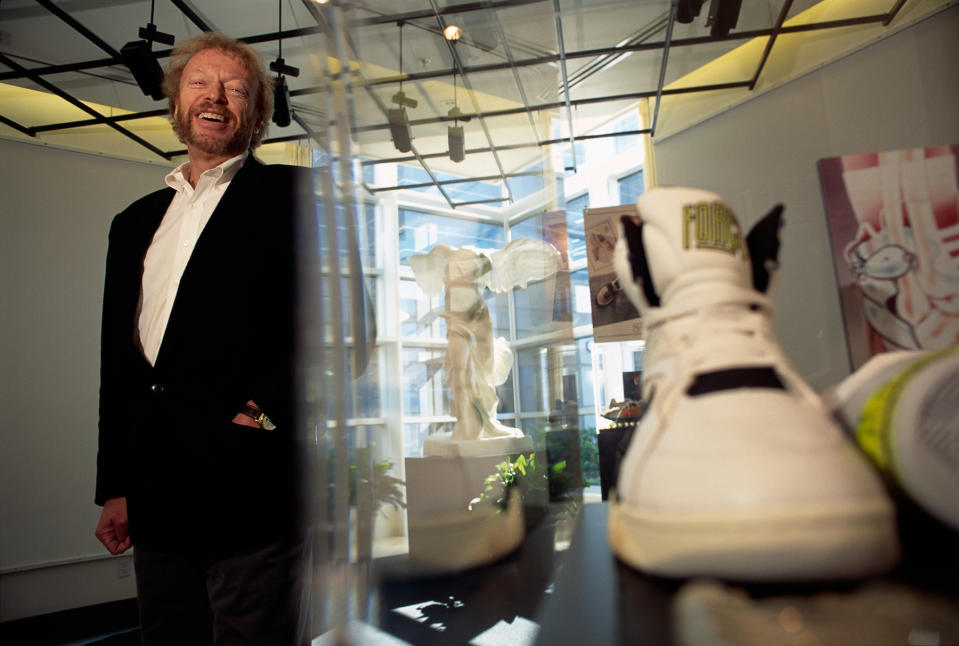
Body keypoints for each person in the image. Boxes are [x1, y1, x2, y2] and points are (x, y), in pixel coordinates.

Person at [93, 32, 307, 644]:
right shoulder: (132, 223)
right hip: (157, 495)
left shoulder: (298, 201)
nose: (216, 97)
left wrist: (263, 417)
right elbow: (120, 363)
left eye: (235, 89)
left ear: (257, 114)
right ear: (177, 103)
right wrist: (116, 487)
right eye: (199, 84)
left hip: (253, 494)